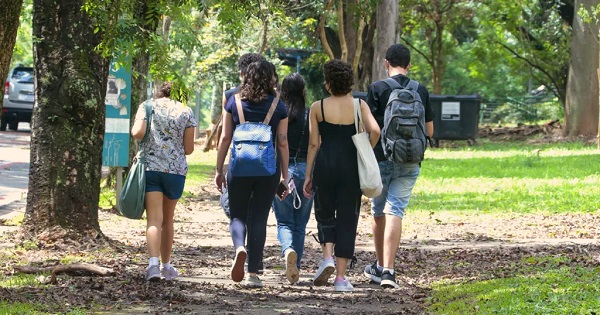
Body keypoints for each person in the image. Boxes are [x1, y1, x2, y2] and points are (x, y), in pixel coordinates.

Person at [303, 60, 380, 292]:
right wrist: (367, 147)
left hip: (325, 165)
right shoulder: (359, 105)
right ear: (349, 82)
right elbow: (375, 130)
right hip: (350, 167)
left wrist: (308, 175)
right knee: (348, 218)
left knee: (324, 212)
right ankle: (340, 278)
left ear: (328, 83)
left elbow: (314, 143)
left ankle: (327, 257)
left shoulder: (318, 107)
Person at [363, 43, 434, 288]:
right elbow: (430, 130)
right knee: (396, 210)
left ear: (386, 63)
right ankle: (389, 273)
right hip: (410, 160)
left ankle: (380, 266)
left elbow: (370, 129)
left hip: (381, 158)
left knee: (379, 211)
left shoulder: (377, 88)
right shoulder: (420, 89)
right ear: (409, 65)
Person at [215, 59, 289, 288]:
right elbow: (283, 142)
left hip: (239, 167)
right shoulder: (278, 104)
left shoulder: (234, 102)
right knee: (259, 218)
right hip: (268, 170)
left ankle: (239, 247)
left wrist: (219, 169)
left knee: (238, 215)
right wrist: (285, 176)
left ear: (246, 76)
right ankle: (253, 273)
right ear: (271, 78)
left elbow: (225, 137)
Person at [131, 82, 197, 281]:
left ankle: (152, 266)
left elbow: (137, 133)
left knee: (153, 219)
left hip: (151, 168)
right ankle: (166, 266)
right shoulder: (186, 111)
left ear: (159, 91)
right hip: (175, 171)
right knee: (168, 220)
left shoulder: (147, 106)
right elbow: (189, 149)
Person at [272, 73, 313, 285]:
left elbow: (279, 144)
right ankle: (296, 266)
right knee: (300, 223)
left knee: (284, 220)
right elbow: (316, 145)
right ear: (303, 91)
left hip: (283, 171)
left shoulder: (279, 114)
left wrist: (283, 173)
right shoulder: (310, 115)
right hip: (306, 171)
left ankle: (288, 250)